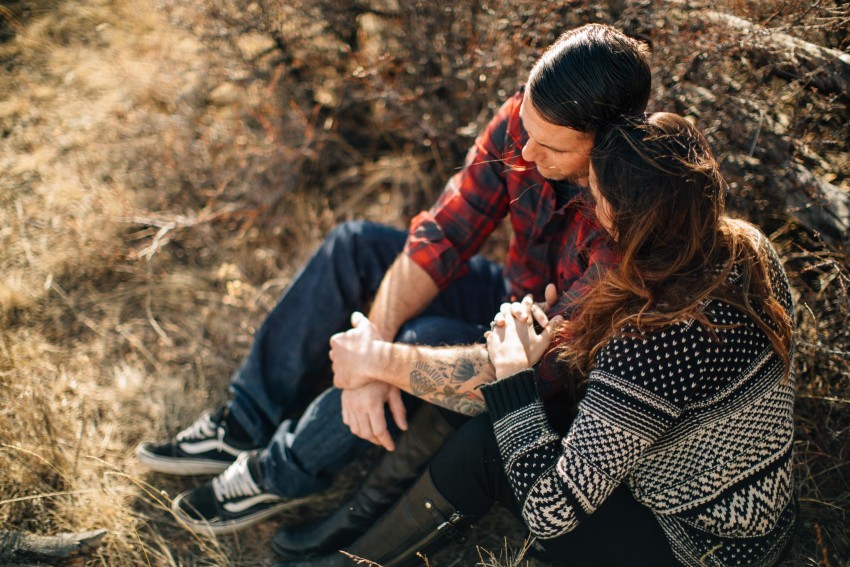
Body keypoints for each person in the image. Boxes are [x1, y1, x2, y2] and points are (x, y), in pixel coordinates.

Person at [135, 24, 652, 543]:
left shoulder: (632, 221)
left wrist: (382, 361)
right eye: (527, 130)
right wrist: (372, 346)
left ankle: (278, 473)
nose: (528, 153)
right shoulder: (529, 121)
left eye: (552, 149)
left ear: (608, 145)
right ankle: (242, 423)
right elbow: (443, 234)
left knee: (423, 337)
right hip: (511, 297)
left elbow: (536, 376)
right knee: (354, 246)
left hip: (543, 366)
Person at [283, 113, 797, 567]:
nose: (588, 208)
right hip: (753, 512)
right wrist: (564, 325)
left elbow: (551, 511)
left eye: (595, 197)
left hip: (698, 547)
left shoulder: (649, 336)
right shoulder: (744, 247)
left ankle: (347, 561)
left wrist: (513, 382)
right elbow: (646, 399)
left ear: (630, 218)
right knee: (495, 397)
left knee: (487, 443)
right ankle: (349, 528)